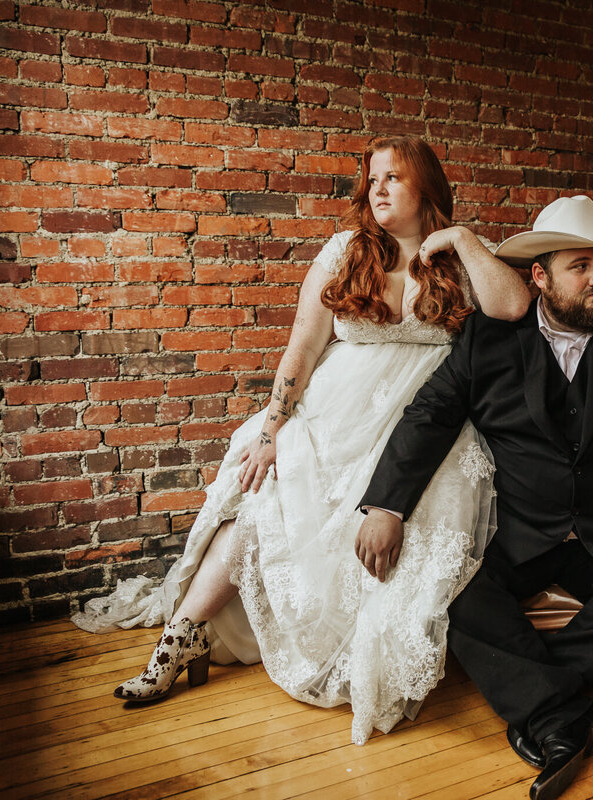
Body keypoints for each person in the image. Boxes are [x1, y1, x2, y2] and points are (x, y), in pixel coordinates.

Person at [73, 135, 532, 746]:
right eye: (372, 179)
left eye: (394, 177)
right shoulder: (346, 251)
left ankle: (350, 655)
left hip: (419, 430)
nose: (379, 188)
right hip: (332, 415)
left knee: (398, 538)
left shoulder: (458, 259)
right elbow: (304, 347)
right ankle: (176, 643)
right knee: (261, 501)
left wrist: (467, 241)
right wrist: (271, 430)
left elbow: (515, 306)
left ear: (427, 187)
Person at [356, 194, 593, 800]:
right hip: (521, 530)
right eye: (582, 267)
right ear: (541, 277)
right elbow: (432, 414)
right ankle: (563, 716)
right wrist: (387, 505)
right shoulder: (489, 338)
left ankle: (537, 695)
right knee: (455, 593)